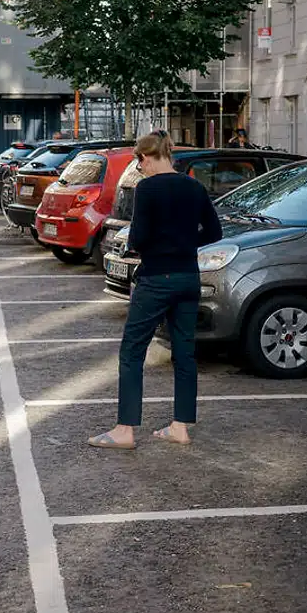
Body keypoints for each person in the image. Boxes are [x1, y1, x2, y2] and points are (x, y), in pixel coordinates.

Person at [90, 131, 222, 450]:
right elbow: (215, 231)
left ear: (146, 157)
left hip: (156, 279)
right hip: (189, 277)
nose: (140, 168)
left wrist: (152, 247)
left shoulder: (147, 188)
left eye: (139, 162)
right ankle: (180, 426)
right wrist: (184, 243)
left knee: (132, 351)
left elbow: (138, 238)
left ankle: (125, 430)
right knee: (185, 353)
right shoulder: (194, 185)